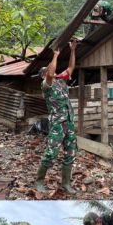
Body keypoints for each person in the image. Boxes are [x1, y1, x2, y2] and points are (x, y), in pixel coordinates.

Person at [36, 40, 79, 194]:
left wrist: (72, 50)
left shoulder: (60, 82)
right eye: (47, 71)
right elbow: (50, 71)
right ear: (44, 75)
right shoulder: (46, 86)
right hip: (57, 125)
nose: (51, 71)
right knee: (51, 154)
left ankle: (66, 184)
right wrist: (55, 54)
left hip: (69, 123)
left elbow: (71, 68)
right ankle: (39, 181)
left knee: (71, 153)